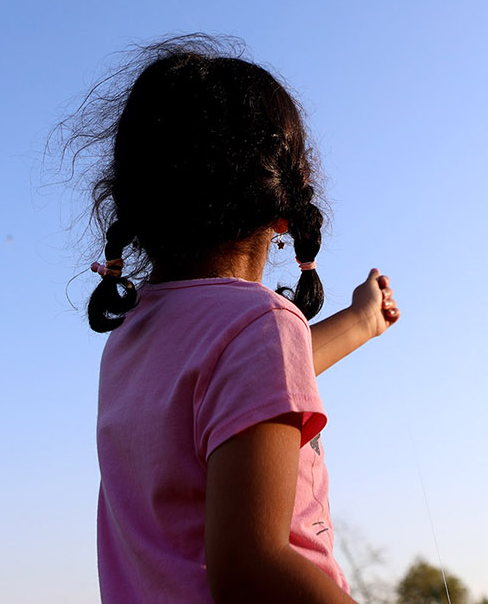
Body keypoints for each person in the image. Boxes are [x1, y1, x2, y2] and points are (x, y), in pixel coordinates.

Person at [74, 36, 400, 603]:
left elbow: (262, 376)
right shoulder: (258, 327)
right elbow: (252, 570)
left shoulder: (132, 339)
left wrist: (360, 320)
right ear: (285, 208)